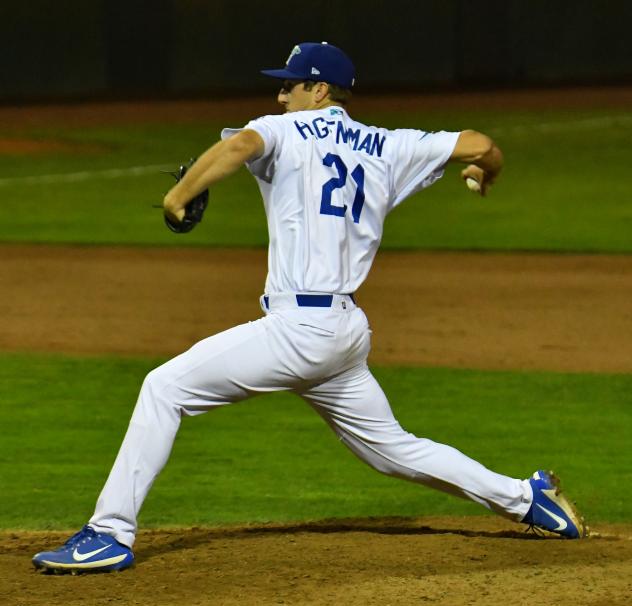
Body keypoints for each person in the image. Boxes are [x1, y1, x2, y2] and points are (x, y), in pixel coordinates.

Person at [32, 42, 586, 574]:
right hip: (343, 332)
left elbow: (238, 147)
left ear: (320, 89)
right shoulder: (390, 145)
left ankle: (108, 534)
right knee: (392, 450)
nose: (280, 98)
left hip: (299, 331)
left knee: (164, 388)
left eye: (290, 86)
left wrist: (177, 199)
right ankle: (527, 499)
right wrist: (484, 172)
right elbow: (482, 144)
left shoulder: (285, 129)